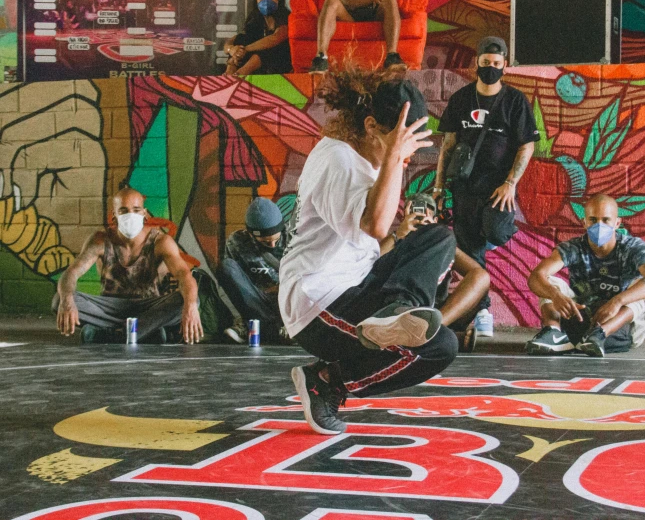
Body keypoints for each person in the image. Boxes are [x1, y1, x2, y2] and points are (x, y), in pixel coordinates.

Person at [279, 72, 458, 435]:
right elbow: (374, 226)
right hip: (318, 303)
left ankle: (398, 308)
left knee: (438, 238)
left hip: (354, 286)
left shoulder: (365, 158)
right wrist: (393, 158)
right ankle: (327, 381)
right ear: (372, 126)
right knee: (439, 347)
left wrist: (391, 157)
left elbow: (374, 239)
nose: (408, 157)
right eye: (402, 145)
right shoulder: (338, 160)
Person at [433, 36, 539, 339]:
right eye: (485, 62)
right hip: (464, 186)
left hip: (498, 188)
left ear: (504, 64)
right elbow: (448, 145)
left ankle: (479, 307)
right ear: (476, 63)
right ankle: (482, 311)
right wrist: (439, 188)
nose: (490, 67)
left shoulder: (515, 100)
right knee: (469, 247)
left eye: (496, 63)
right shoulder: (461, 99)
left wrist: (510, 183)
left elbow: (526, 146)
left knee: (493, 231)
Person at [53, 187, 203, 344]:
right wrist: (67, 300)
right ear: (114, 215)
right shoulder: (100, 240)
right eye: (123, 211)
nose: (130, 215)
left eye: (136, 210)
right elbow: (72, 272)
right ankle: (142, 332)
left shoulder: (161, 242)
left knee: (189, 299)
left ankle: (111, 334)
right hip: (109, 308)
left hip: (149, 307)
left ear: (144, 214)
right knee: (60, 300)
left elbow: (183, 274)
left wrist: (191, 306)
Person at [526, 194, 645, 357]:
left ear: (617, 223)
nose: (599, 225)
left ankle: (601, 334)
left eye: (606, 220)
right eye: (593, 220)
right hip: (582, 319)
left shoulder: (632, 247)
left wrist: (617, 301)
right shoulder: (573, 247)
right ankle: (553, 332)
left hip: (622, 326)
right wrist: (555, 295)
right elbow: (536, 276)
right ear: (584, 222)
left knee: (644, 286)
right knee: (549, 281)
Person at [396, 192, 490, 334]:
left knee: (482, 278)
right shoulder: (394, 238)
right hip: (399, 308)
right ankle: (434, 336)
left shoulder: (441, 240)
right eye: (415, 213)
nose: (420, 219)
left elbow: (478, 274)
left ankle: (431, 330)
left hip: (438, 312)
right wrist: (399, 236)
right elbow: (372, 268)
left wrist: (436, 236)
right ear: (405, 216)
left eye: (425, 214)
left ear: (434, 219)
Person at [308, 0, 419, 73]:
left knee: (391, 1)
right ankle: (321, 57)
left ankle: (392, 56)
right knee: (330, 1)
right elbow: (350, 1)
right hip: (349, 18)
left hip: (376, 17)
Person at [217, 197, 286, 344]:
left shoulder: (293, 238)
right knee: (226, 267)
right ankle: (254, 325)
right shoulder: (237, 242)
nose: (273, 245)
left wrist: (281, 288)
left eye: (276, 239)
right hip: (256, 301)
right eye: (266, 242)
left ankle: (282, 327)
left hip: (287, 299)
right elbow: (234, 286)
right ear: (251, 234)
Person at [223, 0, 292, 75]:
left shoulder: (286, 16)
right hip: (261, 67)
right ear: (256, 0)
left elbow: (275, 38)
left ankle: (240, 74)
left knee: (265, 48)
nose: (267, 1)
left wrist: (244, 49)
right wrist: (232, 50)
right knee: (241, 39)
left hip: (281, 62)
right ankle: (229, 73)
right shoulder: (255, 19)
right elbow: (232, 41)